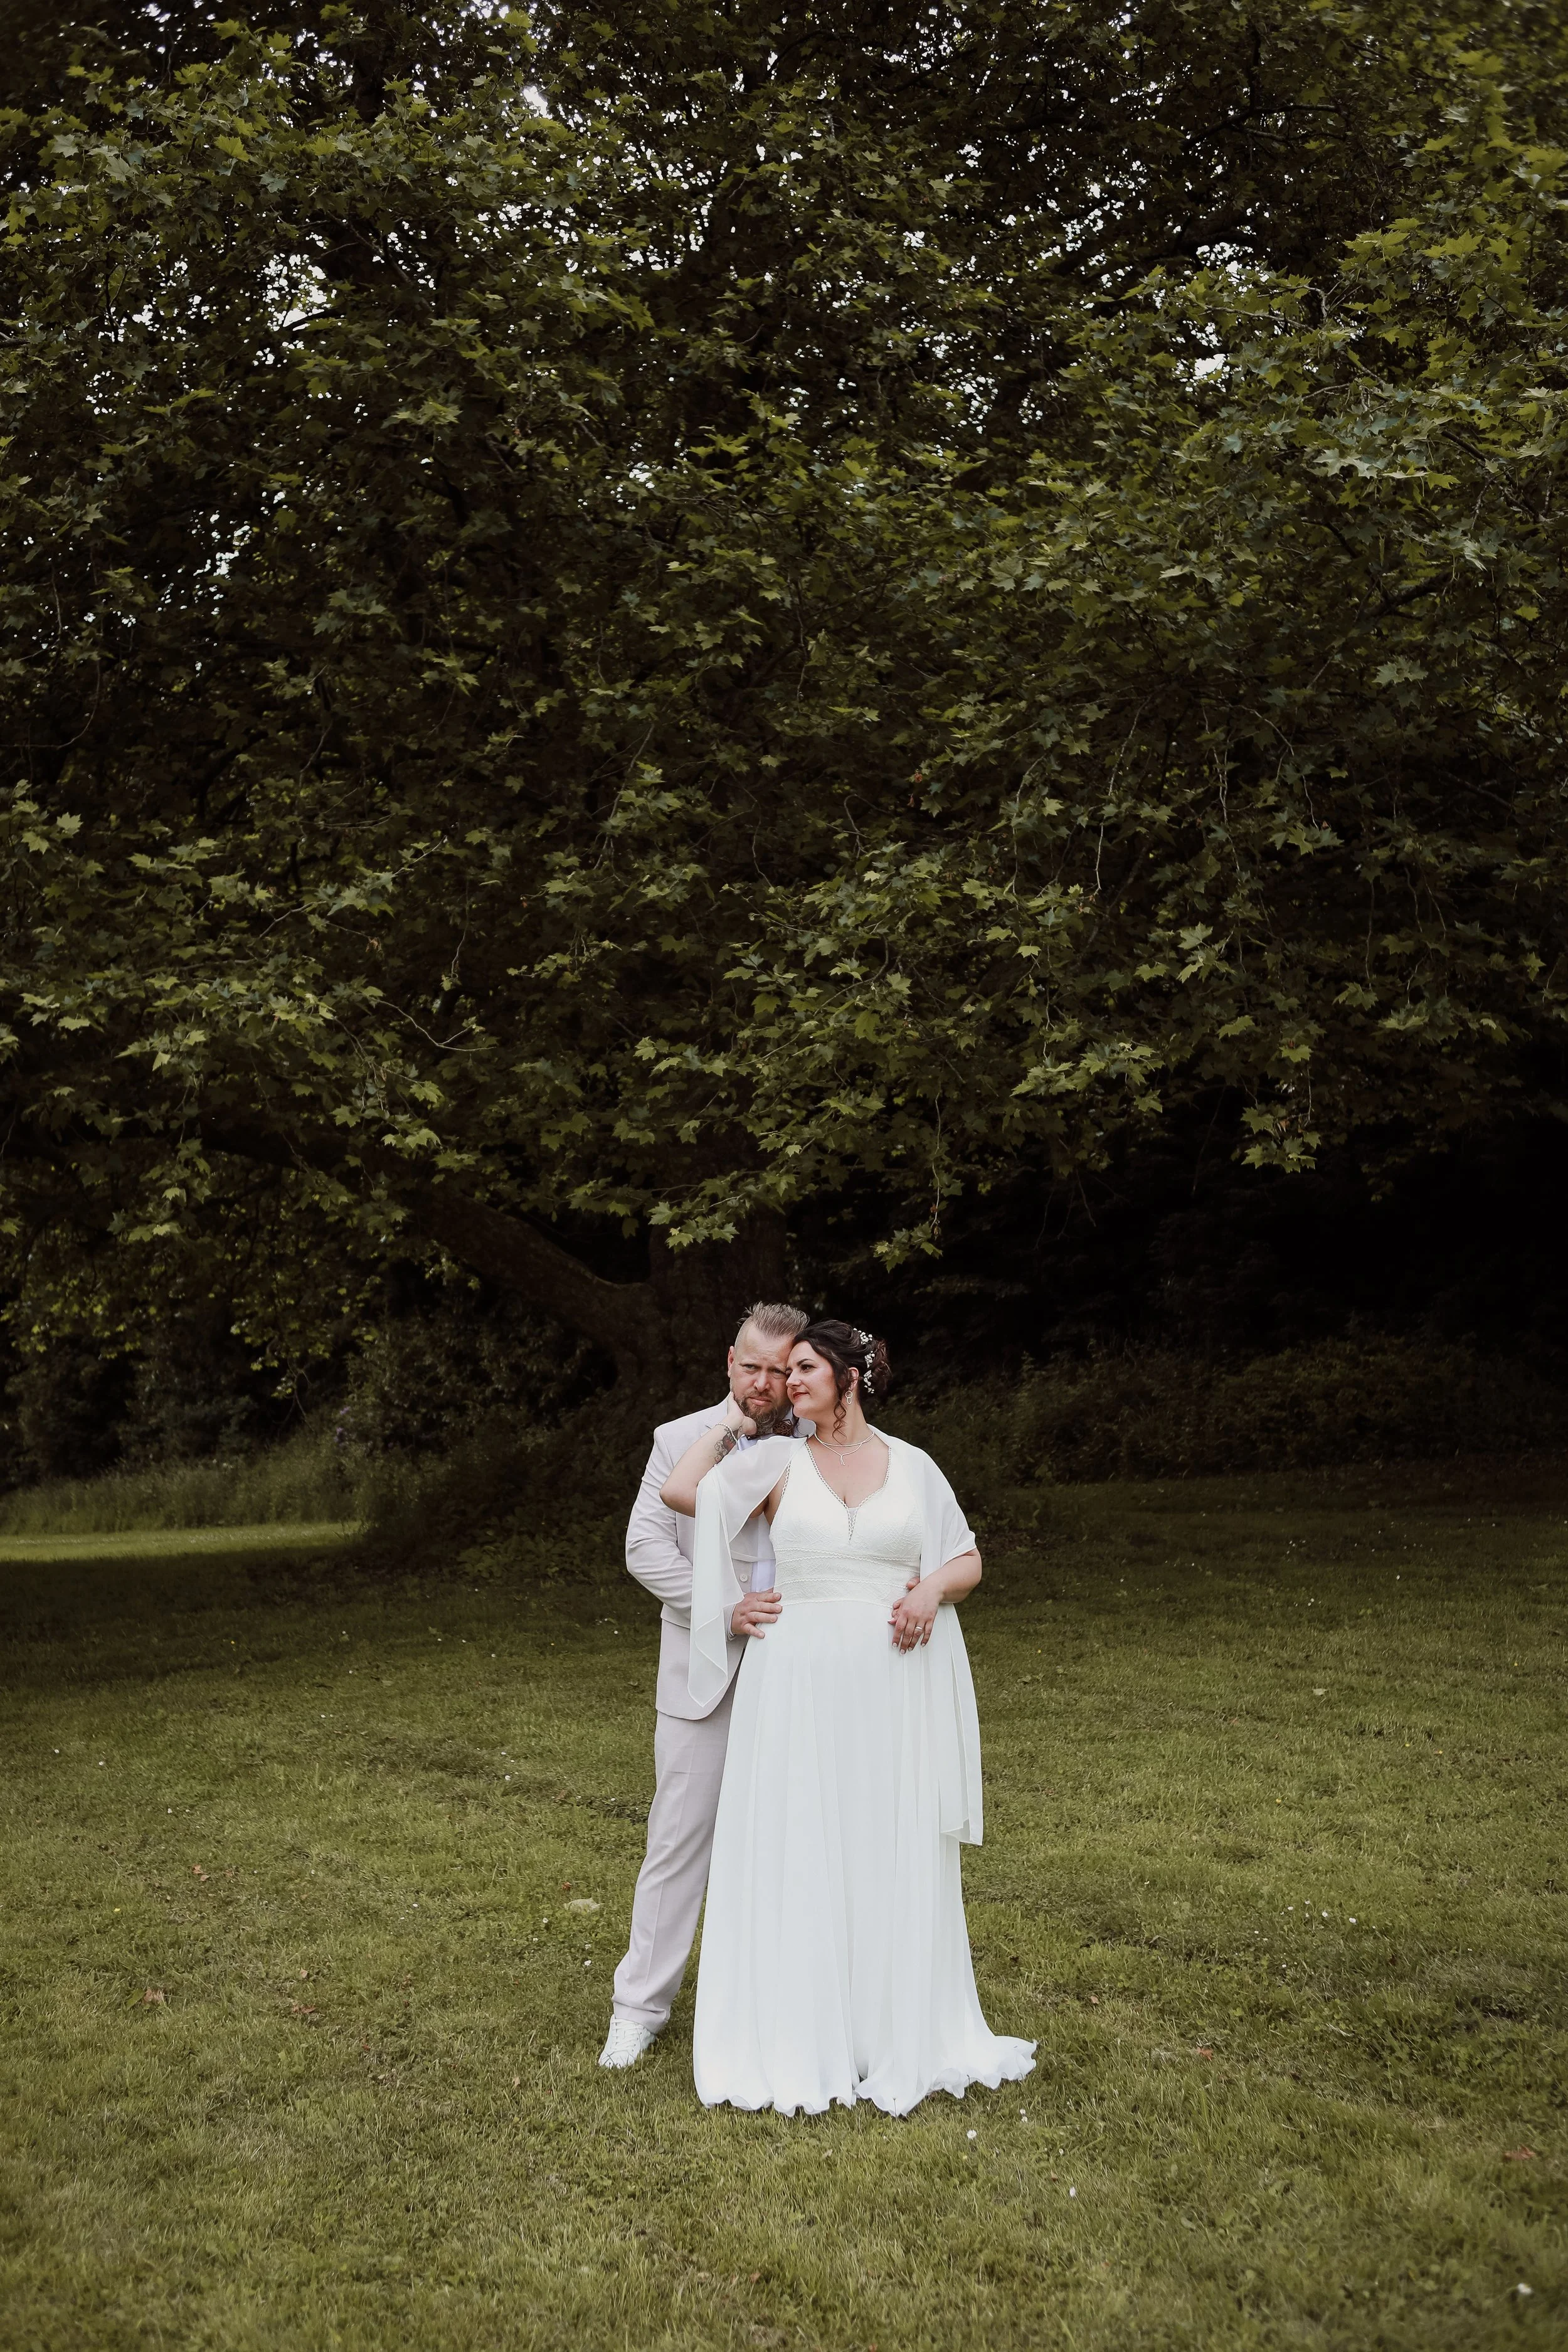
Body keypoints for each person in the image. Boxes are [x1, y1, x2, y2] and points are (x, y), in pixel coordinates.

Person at [660, 1318, 1036, 2116]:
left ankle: (885, 2029)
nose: (787, 1383)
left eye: (803, 1369)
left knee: (880, 1841)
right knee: (806, 1839)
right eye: (783, 1371)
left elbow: (965, 1556)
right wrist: (733, 1422)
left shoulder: (914, 1465)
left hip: (891, 1685)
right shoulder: (774, 1460)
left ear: (848, 1378)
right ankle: (804, 2030)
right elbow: (681, 1493)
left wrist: (930, 1589)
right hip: (794, 1682)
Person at [599, 1300, 811, 2070]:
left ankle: (781, 2005)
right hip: (701, 1673)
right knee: (677, 1842)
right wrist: (723, 1610)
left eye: (780, 1371)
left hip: (801, 1672)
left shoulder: (825, 1446)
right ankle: (638, 2010)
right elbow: (644, 1549)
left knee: (797, 1842)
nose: (763, 1384)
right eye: (751, 1367)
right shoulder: (678, 1440)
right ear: (730, 1362)